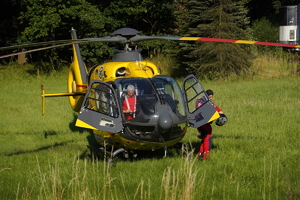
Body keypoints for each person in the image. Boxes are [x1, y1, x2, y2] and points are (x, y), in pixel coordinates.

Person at [196, 89, 224, 160]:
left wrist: (220, 111)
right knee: (207, 137)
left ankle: (200, 154)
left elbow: (215, 107)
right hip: (201, 122)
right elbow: (200, 111)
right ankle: (206, 154)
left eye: (212, 97)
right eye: (210, 97)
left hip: (207, 123)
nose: (211, 98)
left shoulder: (208, 102)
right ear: (206, 96)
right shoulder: (200, 102)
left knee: (204, 138)